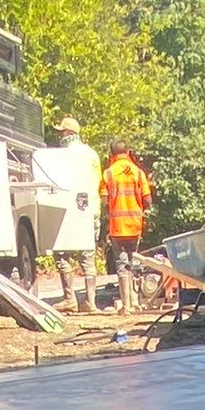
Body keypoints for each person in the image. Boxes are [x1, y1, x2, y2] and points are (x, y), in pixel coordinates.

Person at [36, 114, 100, 310]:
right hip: (91, 210)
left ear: (68, 133)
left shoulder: (64, 155)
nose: (59, 136)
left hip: (69, 209)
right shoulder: (92, 154)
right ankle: (90, 302)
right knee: (88, 256)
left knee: (61, 251)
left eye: (61, 132)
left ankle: (70, 299)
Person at [101, 143, 151, 303]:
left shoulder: (108, 173)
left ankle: (126, 305)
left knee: (121, 264)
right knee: (133, 261)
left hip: (117, 226)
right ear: (128, 152)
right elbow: (148, 199)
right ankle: (136, 301)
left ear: (111, 153)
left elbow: (103, 199)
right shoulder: (138, 173)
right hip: (135, 225)